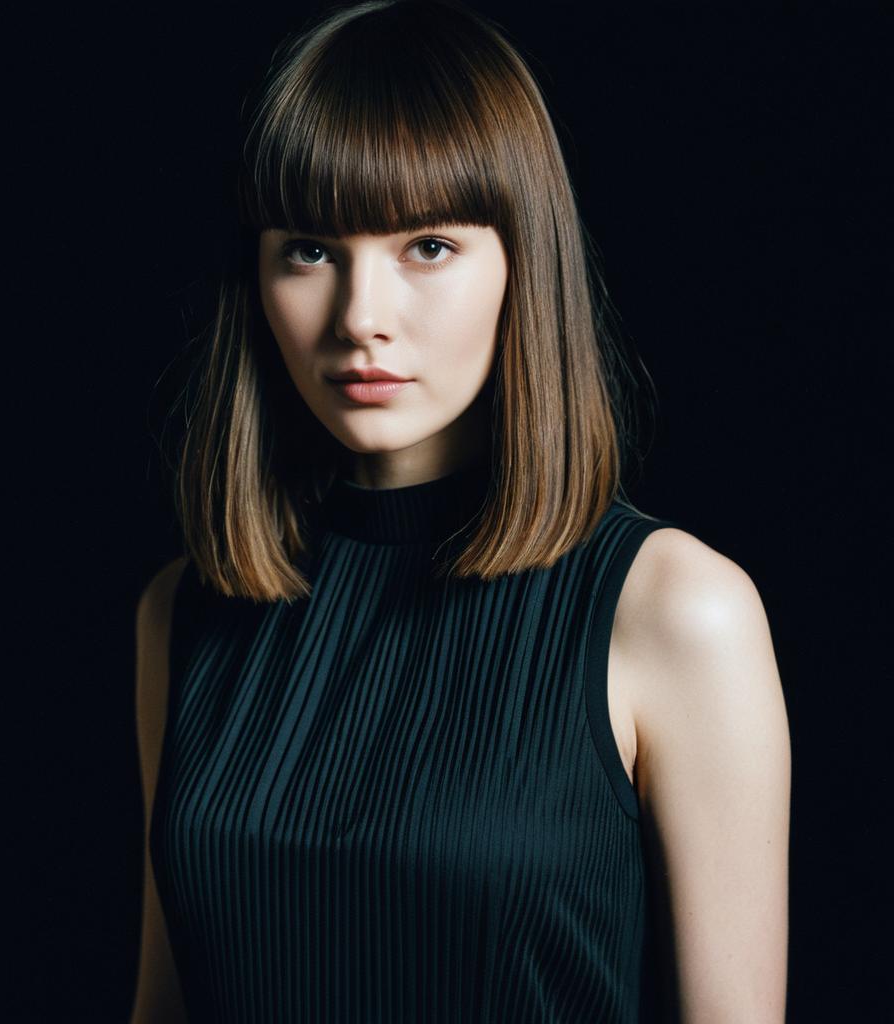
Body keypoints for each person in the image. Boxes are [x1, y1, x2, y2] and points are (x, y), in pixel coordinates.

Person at [131, 1, 791, 1021]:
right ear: (254, 280)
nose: (360, 317)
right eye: (308, 248)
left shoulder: (677, 611)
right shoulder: (185, 615)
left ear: (522, 263)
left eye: (428, 246)